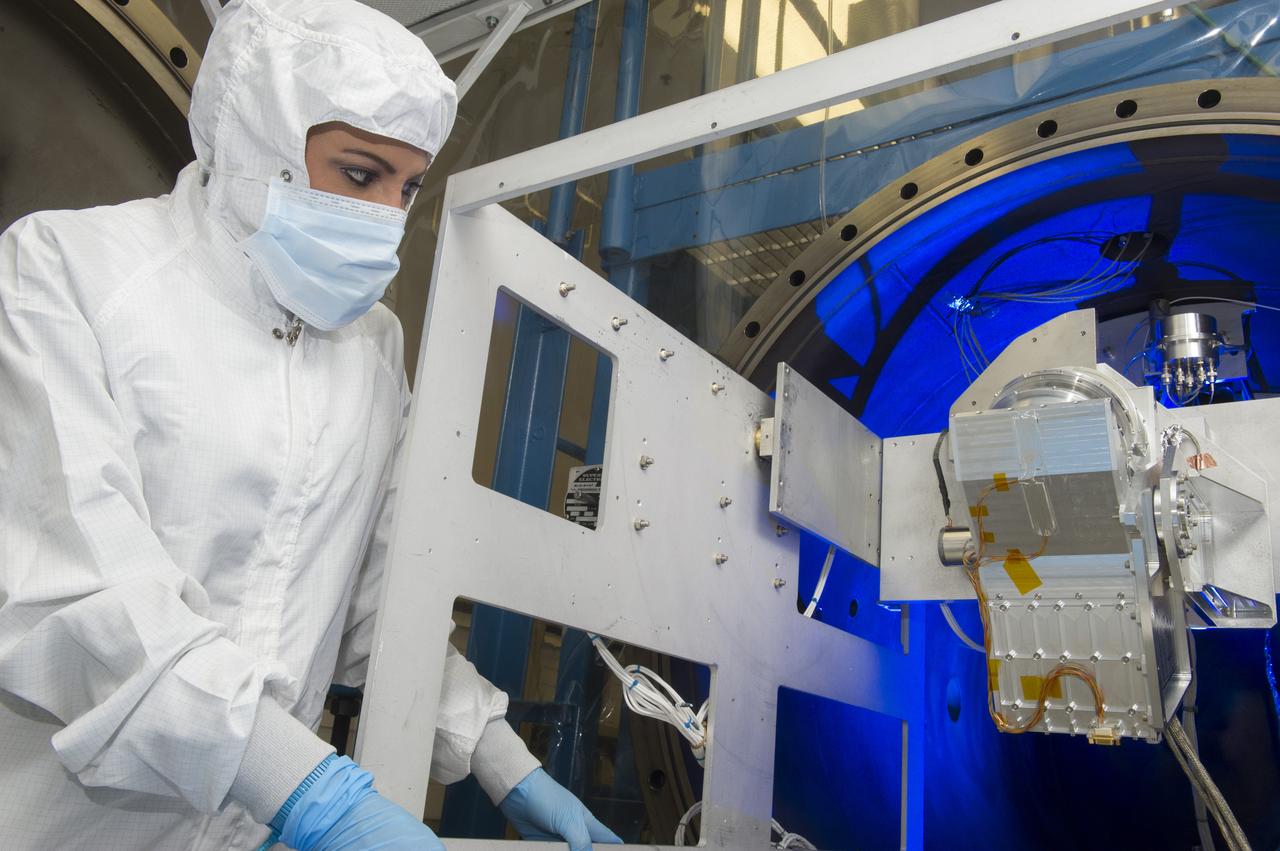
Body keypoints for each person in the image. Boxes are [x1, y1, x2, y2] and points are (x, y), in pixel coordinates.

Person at [0, 1, 622, 849]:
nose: (385, 219)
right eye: (359, 175)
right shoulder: (67, 271)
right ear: (258, 144)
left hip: (244, 830)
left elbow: (376, 598)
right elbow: (79, 598)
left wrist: (502, 759)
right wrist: (317, 793)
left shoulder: (372, 344)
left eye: (407, 188)